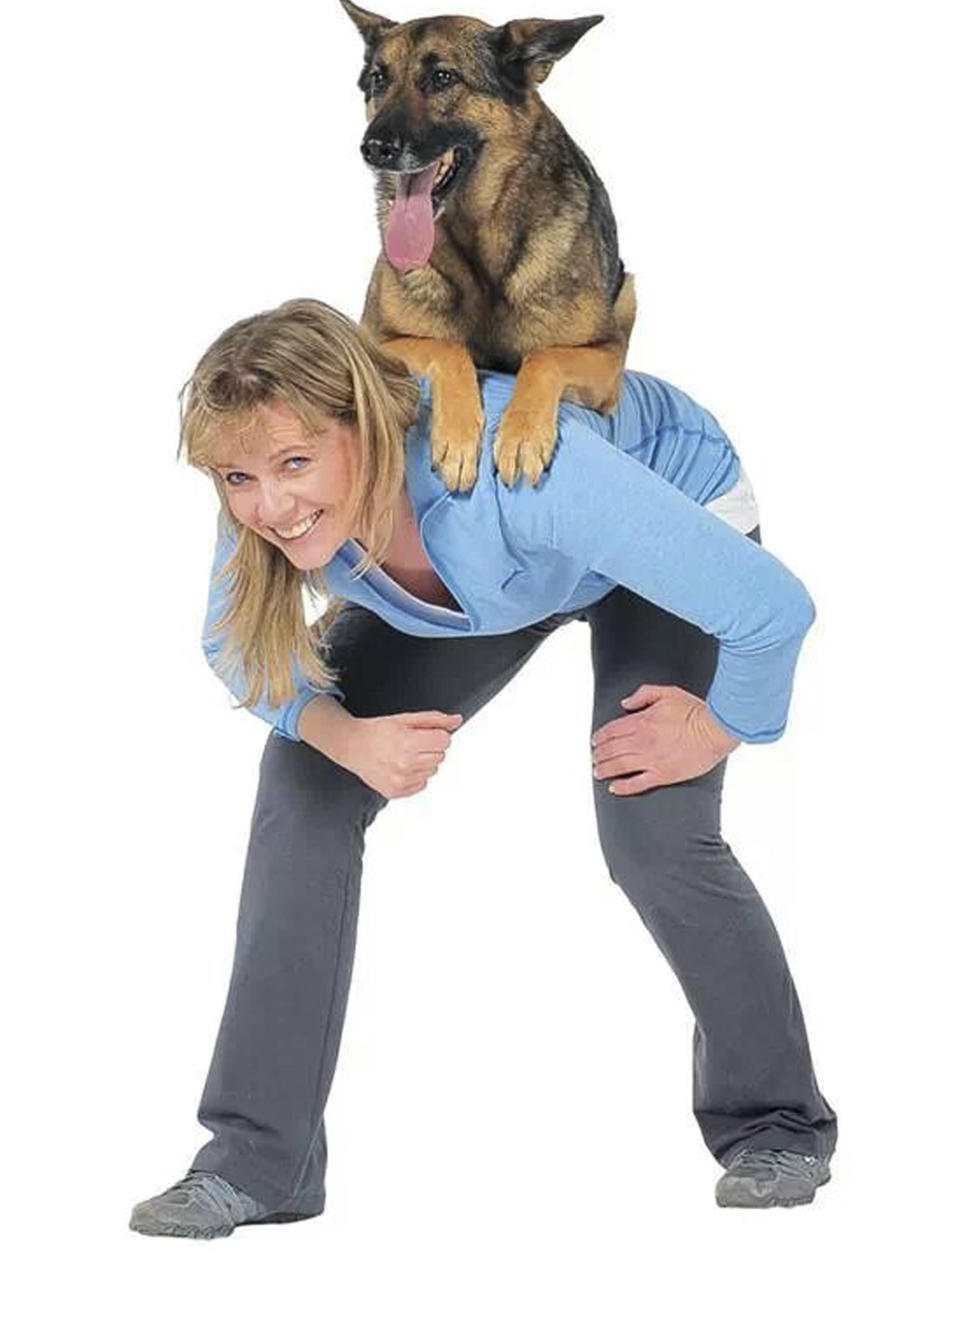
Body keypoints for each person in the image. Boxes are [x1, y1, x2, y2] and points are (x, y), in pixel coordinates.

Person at [129, 297, 836, 1238]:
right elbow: (235, 646)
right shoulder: (271, 505)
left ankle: (778, 1126)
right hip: (499, 574)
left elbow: (771, 610)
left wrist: (717, 727)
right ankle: (262, 1161)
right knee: (302, 789)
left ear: (369, 427)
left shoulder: (529, 473)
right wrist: (344, 737)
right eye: (240, 478)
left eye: (295, 464)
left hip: (650, 510)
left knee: (651, 828)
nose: (271, 505)